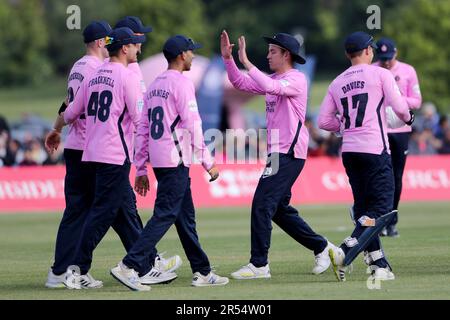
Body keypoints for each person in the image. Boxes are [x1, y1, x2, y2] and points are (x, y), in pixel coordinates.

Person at [45, 21, 180, 289]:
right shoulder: (127, 76)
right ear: (124, 48)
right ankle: (82, 269)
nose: (138, 49)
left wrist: (56, 127)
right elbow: (142, 119)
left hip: (89, 154)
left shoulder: (92, 74)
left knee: (112, 211)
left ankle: (139, 263)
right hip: (115, 154)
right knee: (103, 213)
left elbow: (70, 112)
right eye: (134, 44)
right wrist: (147, 157)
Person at [110, 35, 229, 291]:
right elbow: (193, 125)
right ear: (180, 55)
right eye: (190, 52)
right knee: (165, 214)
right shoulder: (182, 84)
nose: (193, 56)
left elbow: (142, 129)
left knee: (185, 219)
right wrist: (208, 162)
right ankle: (129, 265)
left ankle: (202, 271)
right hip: (176, 159)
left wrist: (141, 167)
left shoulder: (154, 85)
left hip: (162, 159)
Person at [221, 30, 336, 280]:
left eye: (272, 51)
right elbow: (241, 83)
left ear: (287, 54)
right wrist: (229, 60)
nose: (268, 55)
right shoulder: (274, 79)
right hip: (277, 153)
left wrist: (247, 62)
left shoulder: (297, 79)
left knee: (262, 204)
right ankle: (323, 247)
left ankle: (259, 265)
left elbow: (269, 85)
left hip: (290, 152)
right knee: (278, 209)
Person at [318, 31, 414, 282]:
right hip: (375, 149)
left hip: (350, 151)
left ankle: (378, 265)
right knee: (382, 211)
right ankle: (344, 251)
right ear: (369, 51)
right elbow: (400, 107)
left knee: (364, 210)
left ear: (347, 54)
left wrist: (344, 128)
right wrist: (409, 118)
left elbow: (324, 121)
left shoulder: (337, 81)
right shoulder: (381, 73)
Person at [374, 37, 422, 237]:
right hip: (379, 129)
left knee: (396, 176)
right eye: (382, 58)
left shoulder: (408, 71)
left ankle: (391, 221)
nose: (385, 62)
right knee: (379, 176)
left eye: (388, 57)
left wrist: (397, 99)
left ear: (396, 52)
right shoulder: (374, 69)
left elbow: (417, 101)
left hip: (400, 130)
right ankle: (377, 219)